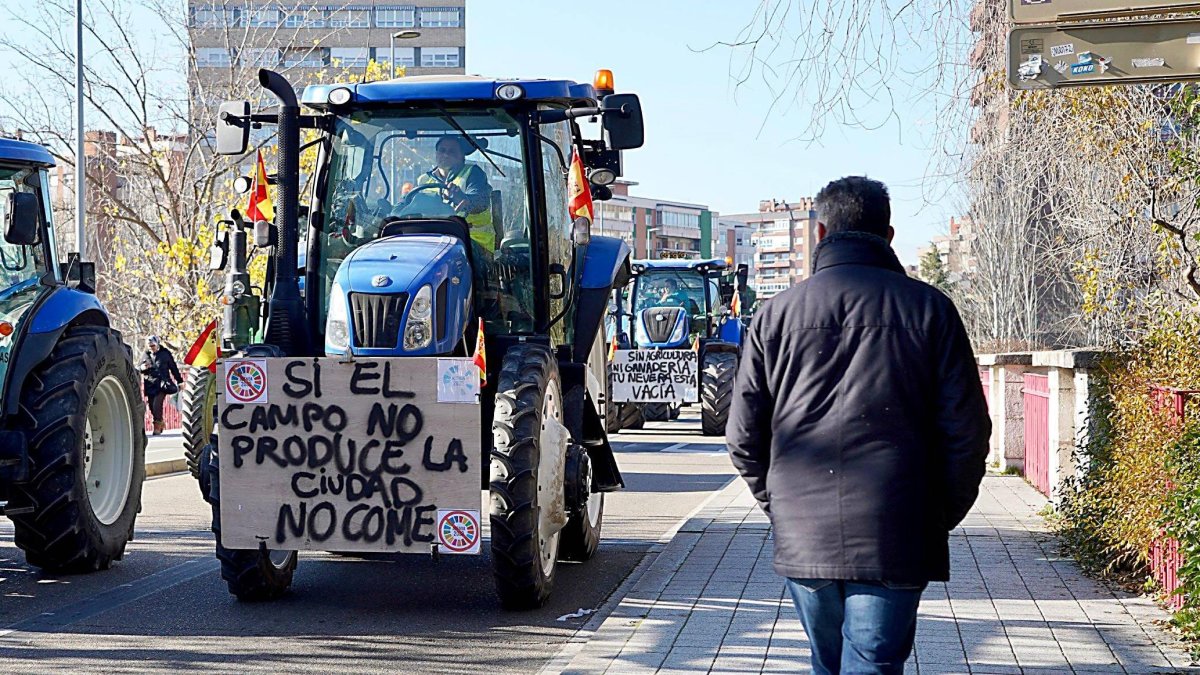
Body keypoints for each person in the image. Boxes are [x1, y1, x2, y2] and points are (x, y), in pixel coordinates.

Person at [726, 176, 991, 675]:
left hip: (805, 531)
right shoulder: (930, 310)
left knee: (828, 665)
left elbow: (743, 438)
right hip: (898, 526)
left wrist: (782, 504)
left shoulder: (774, 316)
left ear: (821, 232)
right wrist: (935, 514)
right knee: (873, 663)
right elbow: (968, 432)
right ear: (889, 236)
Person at [417, 136, 494, 251]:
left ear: (462, 155)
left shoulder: (473, 173)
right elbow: (412, 207)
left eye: (452, 151)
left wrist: (462, 198)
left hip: (473, 241)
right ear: (436, 154)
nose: (446, 154)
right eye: (442, 150)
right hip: (434, 239)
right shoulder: (424, 180)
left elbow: (480, 203)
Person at [141, 335, 183, 436]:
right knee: (151, 407)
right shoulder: (145, 355)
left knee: (157, 405)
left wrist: (180, 381)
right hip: (150, 384)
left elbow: (173, 367)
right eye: (150, 346)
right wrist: (142, 367)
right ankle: (160, 422)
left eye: (153, 345)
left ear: (157, 344)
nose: (152, 348)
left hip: (162, 384)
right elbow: (139, 367)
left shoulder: (165, 354)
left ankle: (157, 427)